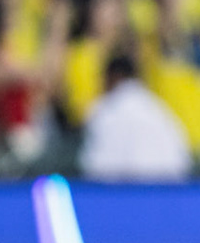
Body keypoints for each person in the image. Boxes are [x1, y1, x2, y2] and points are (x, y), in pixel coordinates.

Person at [79, 52, 191, 181]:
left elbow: (94, 167)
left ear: (114, 77)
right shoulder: (159, 109)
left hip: (125, 194)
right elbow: (182, 159)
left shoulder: (105, 110)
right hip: (166, 193)